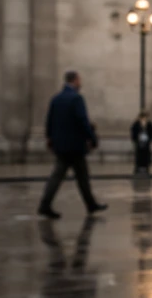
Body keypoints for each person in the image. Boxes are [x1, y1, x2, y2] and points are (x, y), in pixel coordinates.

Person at [37, 71, 107, 218]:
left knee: (58, 176)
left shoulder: (56, 98)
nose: (80, 83)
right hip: (75, 145)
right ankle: (90, 205)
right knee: (82, 177)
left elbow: (49, 121)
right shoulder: (76, 98)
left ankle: (45, 204)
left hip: (61, 145)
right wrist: (93, 138)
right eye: (79, 80)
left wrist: (49, 138)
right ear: (75, 80)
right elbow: (83, 120)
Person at [130, 111, 152, 175]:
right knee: (139, 155)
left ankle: (146, 167)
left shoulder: (149, 124)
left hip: (146, 142)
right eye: (143, 117)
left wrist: (149, 138)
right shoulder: (136, 124)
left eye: (145, 117)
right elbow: (133, 132)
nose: (144, 119)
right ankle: (138, 167)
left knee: (146, 155)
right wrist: (136, 138)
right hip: (139, 142)